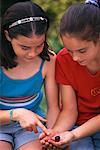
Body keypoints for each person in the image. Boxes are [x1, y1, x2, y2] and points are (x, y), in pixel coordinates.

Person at [40, 0, 100, 149]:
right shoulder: (64, 59)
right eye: (70, 50)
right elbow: (69, 109)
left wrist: (74, 135)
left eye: (82, 51)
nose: (75, 58)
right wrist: (56, 133)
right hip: (76, 126)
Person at [0, 1, 59, 150]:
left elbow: (53, 107)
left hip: (31, 125)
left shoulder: (48, 60)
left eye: (39, 45)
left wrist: (49, 132)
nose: (33, 54)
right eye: (24, 47)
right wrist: (16, 114)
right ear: (8, 36)